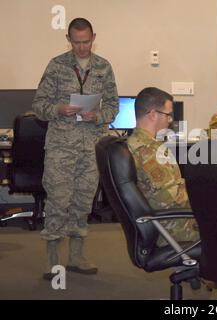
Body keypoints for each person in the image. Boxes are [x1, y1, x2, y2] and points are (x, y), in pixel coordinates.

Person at [32, 18, 119, 280]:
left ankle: (76, 256)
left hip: (91, 145)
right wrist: (58, 109)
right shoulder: (57, 65)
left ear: (94, 36)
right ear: (68, 39)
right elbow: (39, 105)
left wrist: (100, 115)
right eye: (76, 42)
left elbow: (114, 106)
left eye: (86, 41)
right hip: (61, 146)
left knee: (83, 201)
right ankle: (53, 259)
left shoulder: (104, 67)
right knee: (58, 200)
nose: (82, 47)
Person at [127, 87, 198, 247]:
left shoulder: (135, 143)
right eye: (168, 114)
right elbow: (171, 199)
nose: (170, 120)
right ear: (152, 115)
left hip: (163, 222)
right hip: (174, 228)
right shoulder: (149, 151)